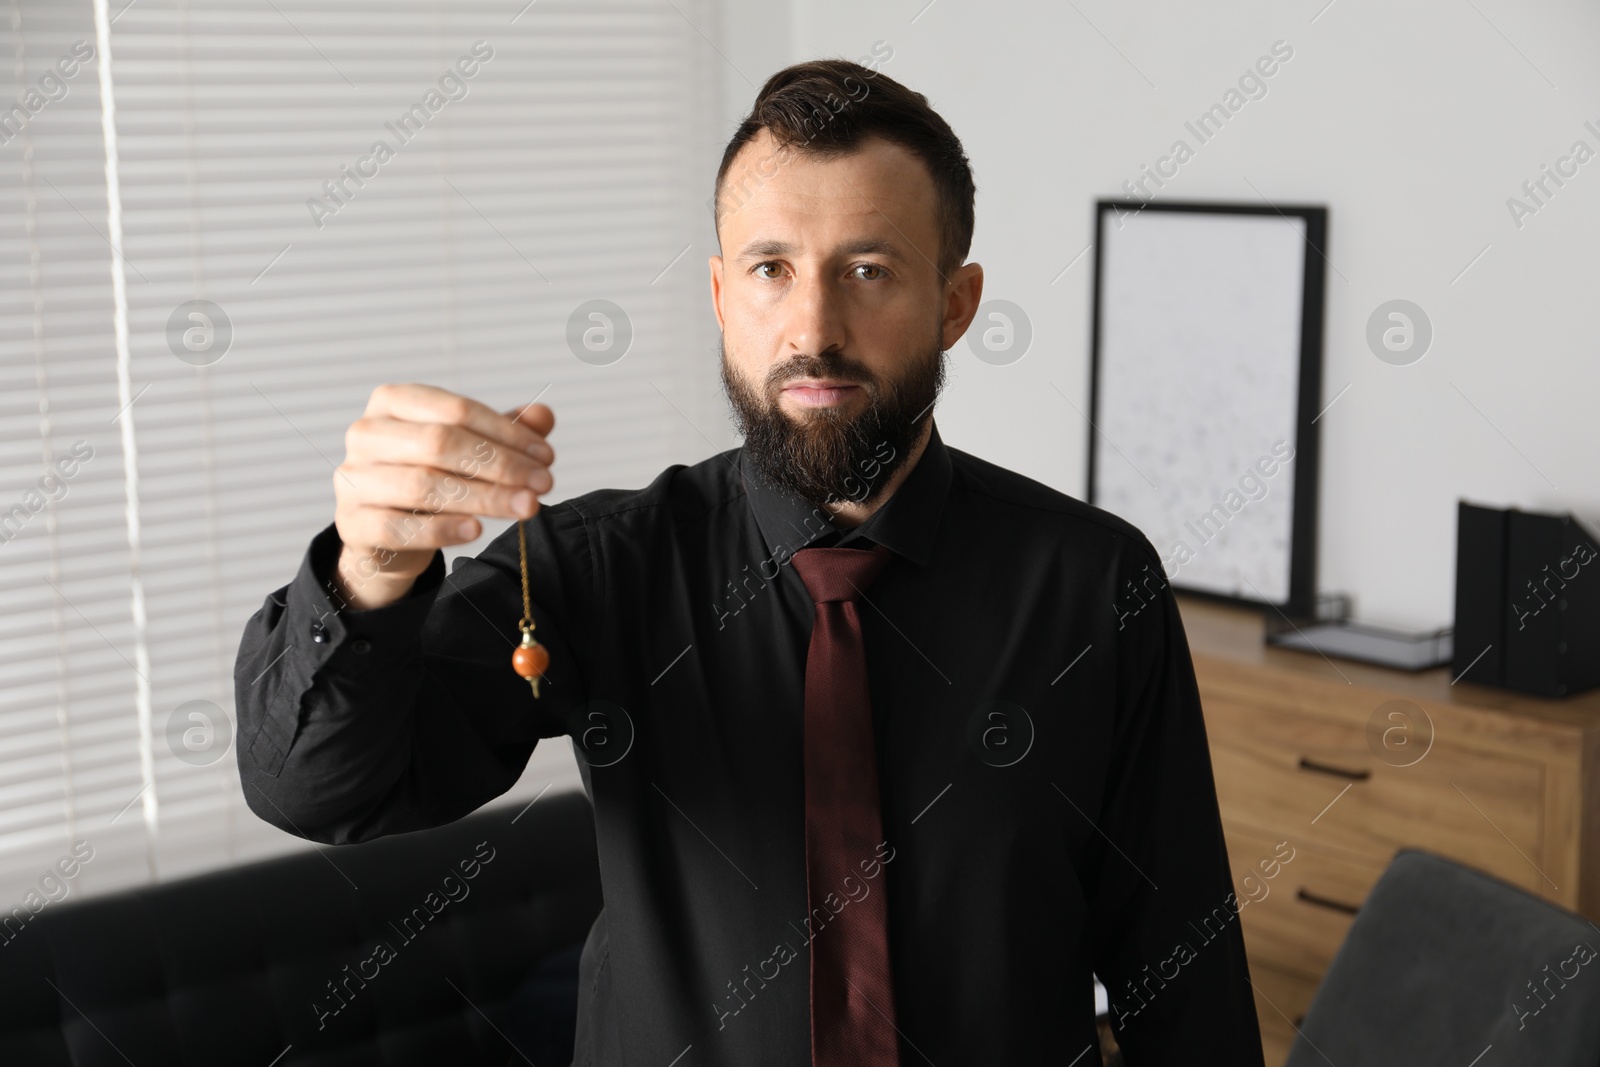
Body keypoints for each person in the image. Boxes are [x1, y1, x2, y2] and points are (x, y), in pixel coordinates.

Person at [235, 58, 1264, 1066]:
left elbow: (1181, 978)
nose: (813, 328)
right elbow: (319, 790)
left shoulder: (1094, 582)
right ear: (725, 297)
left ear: (955, 303)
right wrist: (369, 563)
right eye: (772, 268)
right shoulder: (596, 569)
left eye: (868, 269)